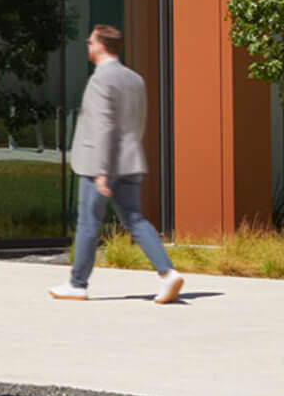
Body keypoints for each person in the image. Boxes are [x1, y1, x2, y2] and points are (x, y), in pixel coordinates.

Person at [50, 24, 185, 304]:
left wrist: (101, 170)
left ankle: (77, 284)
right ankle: (168, 273)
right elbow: (139, 121)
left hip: (100, 165)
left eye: (90, 42)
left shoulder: (101, 80)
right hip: (129, 161)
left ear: (100, 46)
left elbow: (102, 126)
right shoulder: (135, 79)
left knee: (88, 222)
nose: (88, 45)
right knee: (134, 219)